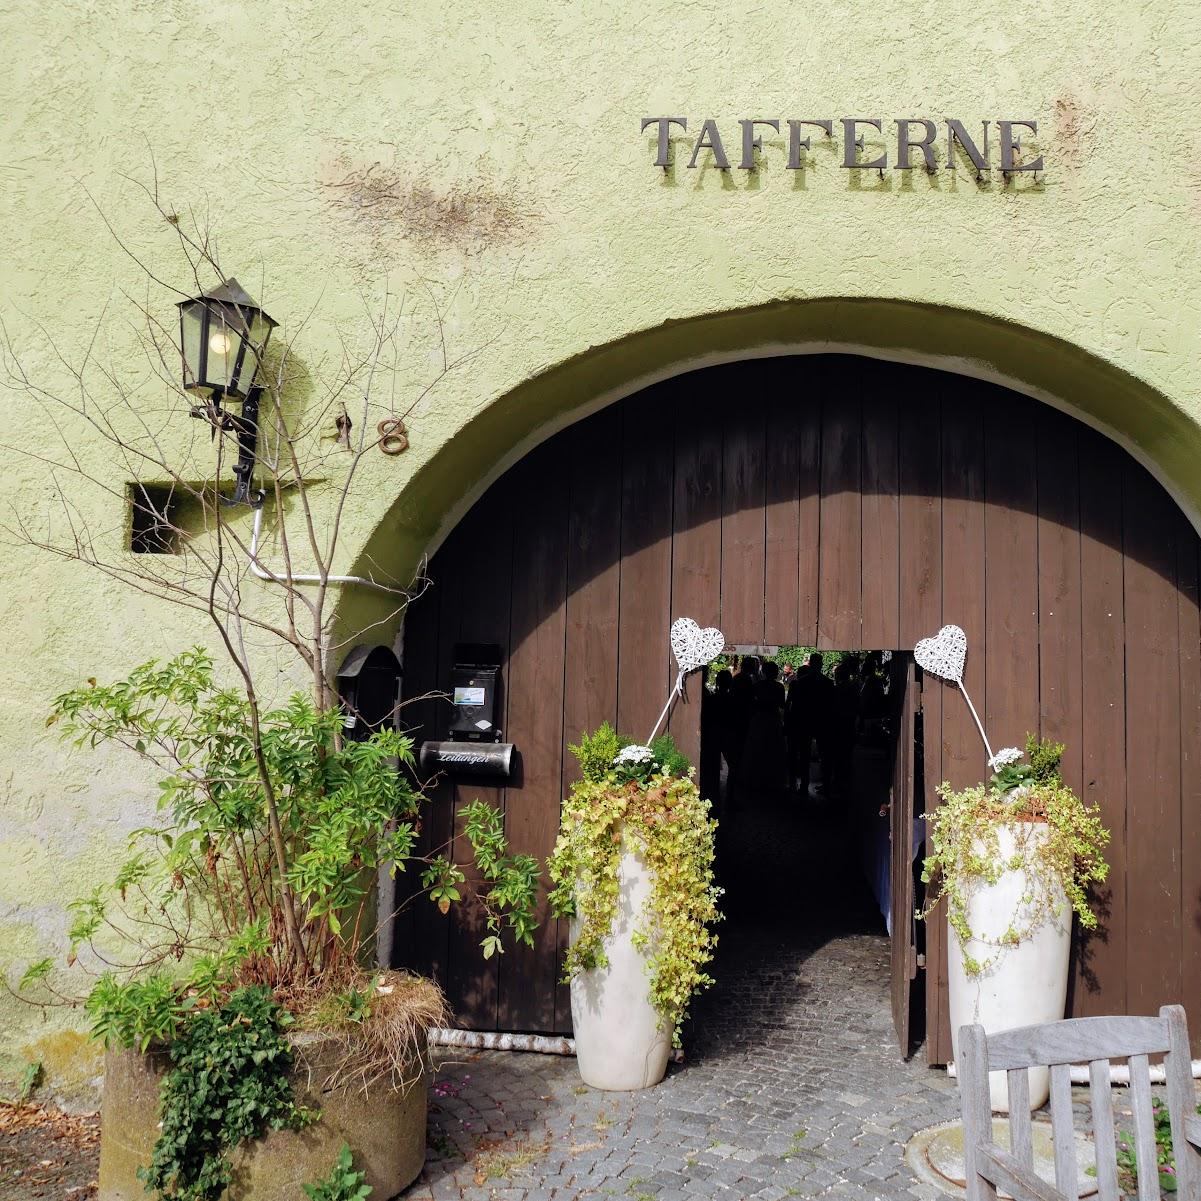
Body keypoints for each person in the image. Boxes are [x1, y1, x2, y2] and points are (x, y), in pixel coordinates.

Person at [785, 652, 834, 798]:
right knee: (824, 755)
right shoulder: (828, 683)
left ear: (811, 664)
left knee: (804, 754)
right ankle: (826, 785)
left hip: (804, 722)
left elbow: (793, 705)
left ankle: (804, 785)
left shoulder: (800, 682)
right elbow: (831, 706)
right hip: (822, 722)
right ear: (821, 664)